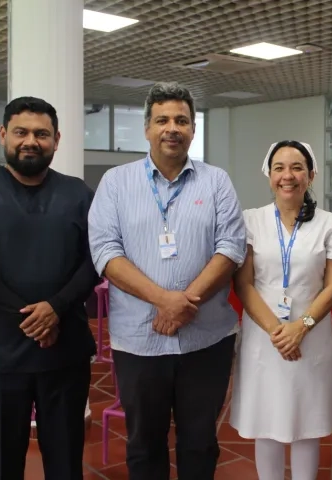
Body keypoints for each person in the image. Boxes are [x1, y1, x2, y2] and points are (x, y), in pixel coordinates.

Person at [87, 82, 246, 480]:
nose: (171, 128)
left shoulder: (216, 182)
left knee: (200, 441)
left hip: (206, 339)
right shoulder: (116, 183)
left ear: (193, 129)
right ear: (147, 128)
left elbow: (231, 247)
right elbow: (105, 253)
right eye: (162, 120)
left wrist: (183, 303)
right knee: (144, 443)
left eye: (181, 120)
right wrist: (163, 300)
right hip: (140, 342)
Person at [0, 96, 98, 480]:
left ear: (56, 140)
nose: (31, 140)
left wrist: (56, 308)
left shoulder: (78, 194)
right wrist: (32, 317)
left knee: (65, 461)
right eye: (21, 132)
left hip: (64, 352)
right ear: (3, 135)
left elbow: (97, 259)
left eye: (42, 133)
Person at [229, 140, 332, 479]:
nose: (288, 175)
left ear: (310, 175)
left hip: (311, 338)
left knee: (307, 424)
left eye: (297, 168)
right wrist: (277, 331)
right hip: (264, 337)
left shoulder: (330, 223)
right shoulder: (250, 220)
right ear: (269, 175)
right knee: (266, 423)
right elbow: (244, 284)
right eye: (280, 168)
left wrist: (302, 326)